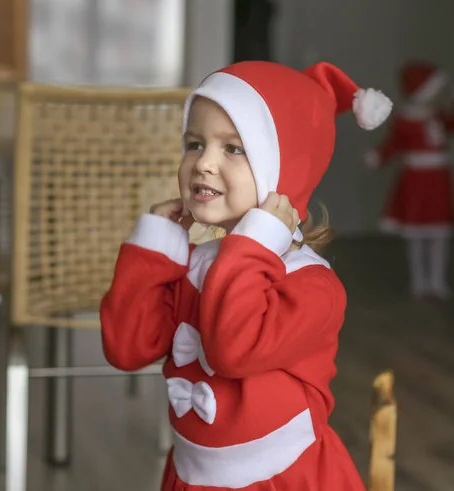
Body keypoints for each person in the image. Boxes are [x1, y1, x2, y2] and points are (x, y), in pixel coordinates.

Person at [100, 60, 392, 490]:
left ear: (283, 170)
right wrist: (154, 249)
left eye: (233, 149)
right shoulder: (196, 265)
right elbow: (127, 348)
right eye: (195, 144)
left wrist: (253, 245)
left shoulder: (313, 286)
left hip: (282, 477)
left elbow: (233, 350)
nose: (203, 164)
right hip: (194, 475)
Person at [363, 60, 454, 299]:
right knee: (416, 235)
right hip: (415, 182)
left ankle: (437, 280)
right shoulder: (404, 120)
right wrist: (378, 157)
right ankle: (420, 281)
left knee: (439, 233)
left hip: (439, 180)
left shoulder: (440, 117)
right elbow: (393, 145)